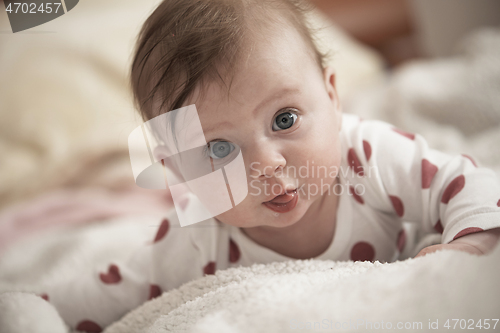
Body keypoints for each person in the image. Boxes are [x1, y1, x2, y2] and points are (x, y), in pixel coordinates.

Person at [42, 0, 500, 331]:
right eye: (218, 149)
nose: (266, 163)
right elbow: (101, 297)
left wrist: (471, 247)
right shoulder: (195, 240)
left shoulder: (366, 156)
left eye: (284, 119)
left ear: (332, 96)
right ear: (179, 173)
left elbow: (466, 183)